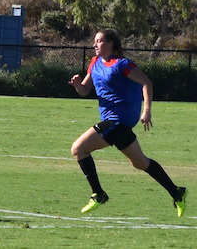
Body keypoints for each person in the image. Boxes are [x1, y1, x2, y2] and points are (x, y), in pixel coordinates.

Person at [69, 28, 187, 217]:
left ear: (110, 44)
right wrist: (77, 85)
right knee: (140, 163)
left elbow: (146, 82)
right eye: (95, 41)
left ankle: (98, 194)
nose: (94, 45)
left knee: (78, 149)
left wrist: (146, 110)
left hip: (118, 120)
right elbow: (85, 90)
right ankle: (177, 192)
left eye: (98, 41)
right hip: (114, 122)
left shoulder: (122, 65)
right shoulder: (94, 63)